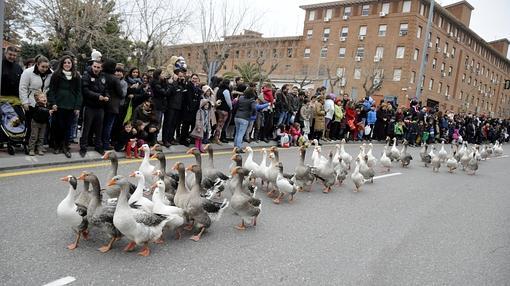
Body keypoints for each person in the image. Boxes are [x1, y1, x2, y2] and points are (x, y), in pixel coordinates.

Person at [47, 55, 82, 158]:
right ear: (62, 64)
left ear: (72, 64)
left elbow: (79, 92)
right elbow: (52, 90)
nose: (67, 64)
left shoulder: (76, 76)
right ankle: (56, 146)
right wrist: (53, 103)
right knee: (58, 127)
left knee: (68, 128)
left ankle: (65, 147)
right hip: (58, 105)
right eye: (65, 62)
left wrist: (77, 107)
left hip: (71, 106)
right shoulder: (56, 75)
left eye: (69, 63)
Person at [19, 55, 52, 151]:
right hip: (31, 103)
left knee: (42, 127)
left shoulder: (50, 73)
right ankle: (28, 145)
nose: (45, 69)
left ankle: (39, 146)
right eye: (43, 67)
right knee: (31, 127)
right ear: (37, 64)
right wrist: (24, 102)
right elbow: (23, 88)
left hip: (43, 104)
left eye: (47, 67)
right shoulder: (28, 72)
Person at [79, 60, 108, 157]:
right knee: (86, 128)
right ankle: (83, 147)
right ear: (92, 66)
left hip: (100, 107)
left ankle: (98, 146)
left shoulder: (103, 76)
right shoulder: (86, 75)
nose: (96, 69)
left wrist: (107, 96)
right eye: (94, 67)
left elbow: (106, 89)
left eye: (98, 67)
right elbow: (85, 90)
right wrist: (97, 96)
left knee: (99, 128)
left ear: (101, 68)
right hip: (89, 106)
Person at [102, 60, 123, 151]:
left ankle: (97, 141)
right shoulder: (114, 79)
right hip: (113, 105)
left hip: (102, 103)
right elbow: (121, 93)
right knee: (108, 125)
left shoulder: (101, 76)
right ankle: (106, 143)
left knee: (101, 124)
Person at [27, 91, 55, 156]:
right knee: (34, 136)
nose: (44, 98)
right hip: (35, 123)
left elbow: (50, 106)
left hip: (43, 123)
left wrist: (53, 106)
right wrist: (48, 111)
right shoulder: (37, 105)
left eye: (45, 97)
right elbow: (41, 110)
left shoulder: (47, 104)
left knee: (41, 137)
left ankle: (39, 148)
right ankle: (31, 149)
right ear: (37, 100)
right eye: (42, 97)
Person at [181, 73, 202, 146]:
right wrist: (192, 106)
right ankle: (183, 139)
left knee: (193, 125)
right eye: (193, 78)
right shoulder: (188, 86)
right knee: (185, 126)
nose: (194, 80)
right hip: (188, 109)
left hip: (194, 110)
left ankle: (191, 139)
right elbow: (189, 98)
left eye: (196, 78)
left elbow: (198, 98)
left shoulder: (198, 88)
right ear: (191, 78)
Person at [213, 78, 232, 145]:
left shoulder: (219, 89)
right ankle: (216, 138)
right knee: (220, 125)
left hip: (218, 108)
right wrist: (231, 107)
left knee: (218, 124)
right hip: (224, 110)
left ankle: (215, 137)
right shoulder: (226, 90)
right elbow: (228, 101)